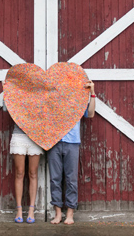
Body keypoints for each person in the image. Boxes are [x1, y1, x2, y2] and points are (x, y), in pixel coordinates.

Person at [48, 80, 96, 225]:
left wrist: (92, 93)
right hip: (53, 143)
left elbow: (91, 113)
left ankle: (70, 214)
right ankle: (58, 214)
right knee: (55, 179)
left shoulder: (77, 104)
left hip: (72, 143)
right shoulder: (51, 103)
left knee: (71, 180)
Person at [3, 81, 43, 224]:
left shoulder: (40, 98)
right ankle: (19, 209)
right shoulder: (17, 97)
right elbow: (5, 108)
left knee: (33, 173)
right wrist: (6, 90)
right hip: (19, 137)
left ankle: (31, 209)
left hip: (35, 138)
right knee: (20, 173)